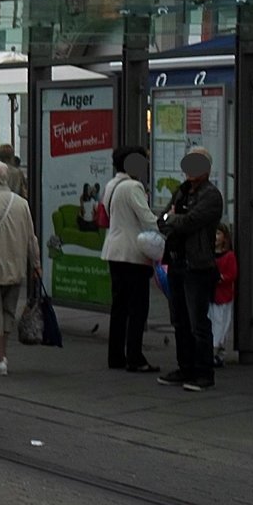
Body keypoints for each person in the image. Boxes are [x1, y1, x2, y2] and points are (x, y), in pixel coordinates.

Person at [156, 147, 224, 392]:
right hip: (175, 263)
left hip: (198, 266)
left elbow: (190, 221)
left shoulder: (211, 196)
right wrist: (172, 219)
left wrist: (174, 220)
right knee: (180, 321)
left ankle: (204, 372)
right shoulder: (181, 192)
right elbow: (161, 219)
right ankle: (185, 367)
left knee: (198, 322)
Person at [100, 146, 160, 372]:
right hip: (133, 252)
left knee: (119, 307)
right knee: (138, 307)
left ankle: (115, 356)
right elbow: (148, 219)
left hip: (114, 251)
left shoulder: (111, 185)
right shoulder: (133, 187)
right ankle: (135, 357)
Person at [0, 159, 40, 376]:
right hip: (15, 267)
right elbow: (30, 238)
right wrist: (36, 264)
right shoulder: (21, 203)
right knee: (8, 311)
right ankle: (1, 357)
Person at [209, 223, 236, 368]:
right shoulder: (209, 254)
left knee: (221, 324)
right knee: (213, 323)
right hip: (211, 296)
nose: (215, 237)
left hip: (222, 296)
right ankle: (214, 352)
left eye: (218, 234)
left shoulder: (228, 256)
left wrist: (220, 278)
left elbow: (231, 274)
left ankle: (218, 352)